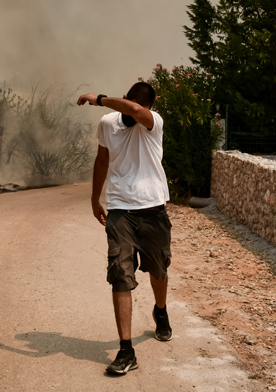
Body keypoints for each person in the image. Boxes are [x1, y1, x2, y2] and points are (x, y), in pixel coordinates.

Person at [77, 82, 172, 375]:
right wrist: (95, 198)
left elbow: (133, 110)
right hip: (120, 211)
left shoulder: (153, 123)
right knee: (120, 274)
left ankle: (160, 310)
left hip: (154, 209)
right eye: (132, 105)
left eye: (141, 108)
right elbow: (102, 159)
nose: (135, 112)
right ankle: (126, 350)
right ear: (127, 98)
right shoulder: (108, 122)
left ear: (148, 109)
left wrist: (98, 98)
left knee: (158, 270)